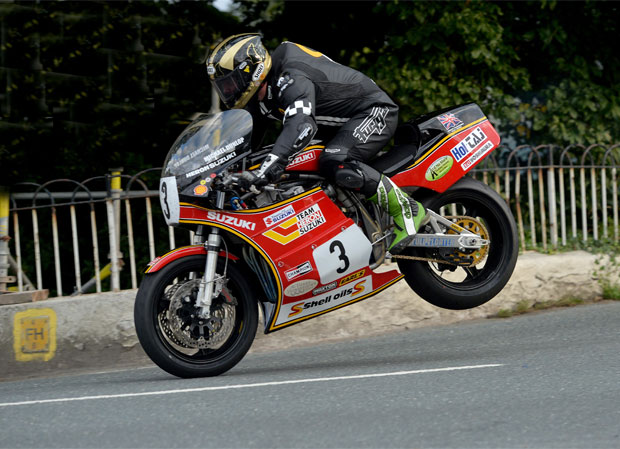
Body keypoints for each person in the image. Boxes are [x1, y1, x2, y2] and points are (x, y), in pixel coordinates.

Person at [206, 33, 426, 253]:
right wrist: (216, 173)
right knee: (294, 164)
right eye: (223, 87)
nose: (227, 91)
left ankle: (407, 208)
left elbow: (302, 125)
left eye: (230, 83)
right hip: (340, 126)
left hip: (375, 111)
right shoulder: (260, 97)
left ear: (249, 70)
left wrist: (268, 168)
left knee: (336, 159)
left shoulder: (290, 77)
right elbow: (246, 147)